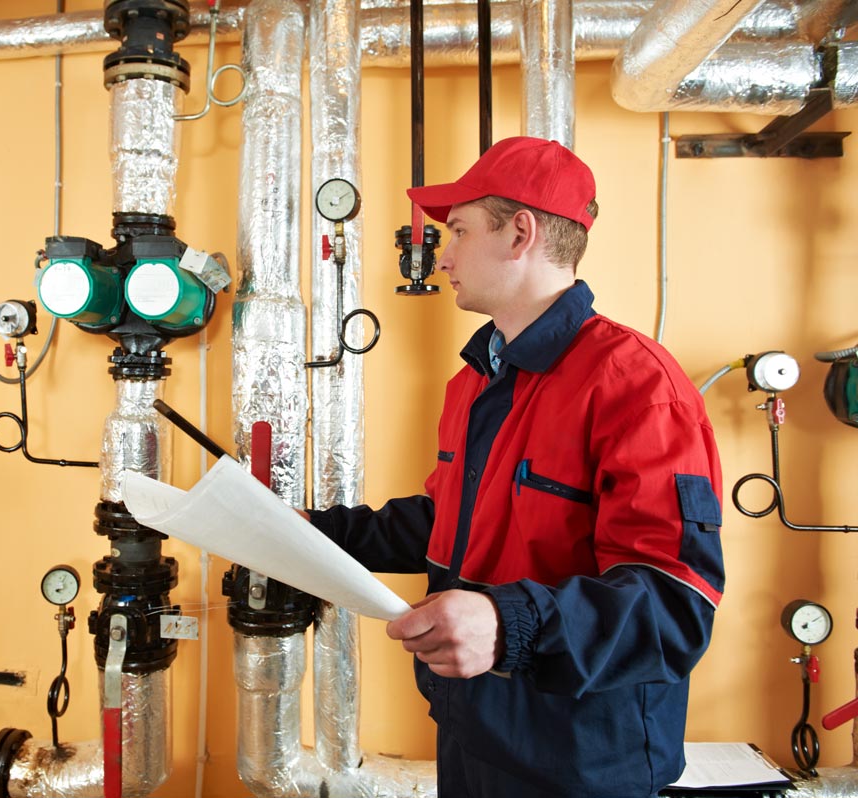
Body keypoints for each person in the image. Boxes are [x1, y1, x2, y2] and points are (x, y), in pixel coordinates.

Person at [304, 136, 724, 798]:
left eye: (460, 230)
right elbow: (449, 525)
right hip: (472, 731)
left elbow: (675, 606)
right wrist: (306, 532)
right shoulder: (474, 383)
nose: (442, 256)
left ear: (520, 233)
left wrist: (507, 625)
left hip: (580, 760)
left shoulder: (636, 384)